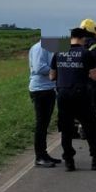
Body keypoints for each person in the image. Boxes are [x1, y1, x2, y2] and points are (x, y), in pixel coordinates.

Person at [50, 28, 96, 171]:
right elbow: (95, 75)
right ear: (83, 38)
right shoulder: (85, 53)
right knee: (90, 128)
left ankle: (69, 161)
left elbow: (52, 76)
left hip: (63, 94)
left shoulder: (58, 52)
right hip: (81, 94)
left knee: (66, 130)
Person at [28, 34, 62, 167]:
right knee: (41, 124)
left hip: (48, 88)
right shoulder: (39, 48)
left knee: (45, 123)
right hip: (40, 90)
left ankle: (44, 153)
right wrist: (57, 70)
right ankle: (40, 156)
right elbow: (39, 67)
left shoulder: (49, 48)